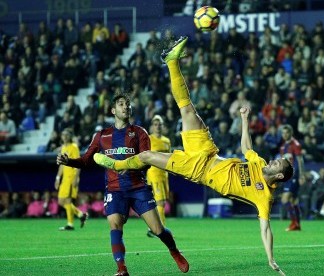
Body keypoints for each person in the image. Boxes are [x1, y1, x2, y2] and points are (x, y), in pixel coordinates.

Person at [93, 36, 292, 275]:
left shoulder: (264, 197)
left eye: (278, 162)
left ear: (279, 175)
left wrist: (271, 259)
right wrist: (244, 120)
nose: (273, 159)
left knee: (146, 156)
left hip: (198, 170)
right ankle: (171, 61)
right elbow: (246, 148)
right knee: (187, 108)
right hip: (208, 151)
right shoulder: (259, 163)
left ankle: (117, 164)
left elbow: (266, 229)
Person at [56, 94, 189, 275]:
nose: (125, 107)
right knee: (115, 225)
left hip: (138, 187)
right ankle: (121, 269)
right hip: (115, 189)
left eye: (127, 104)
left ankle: (174, 251)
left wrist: (130, 165)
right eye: (121, 104)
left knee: (157, 229)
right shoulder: (102, 136)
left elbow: (147, 160)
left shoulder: (140, 132)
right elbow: (87, 160)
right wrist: (68, 161)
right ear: (113, 110)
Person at [54, 128, 88, 231]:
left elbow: (78, 164)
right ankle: (81, 214)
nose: (64, 136)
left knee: (68, 200)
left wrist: (76, 178)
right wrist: (58, 178)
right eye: (63, 134)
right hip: (64, 178)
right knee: (61, 202)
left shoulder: (74, 147)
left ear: (70, 137)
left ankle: (70, 224)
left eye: (67, 135)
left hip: (71, 177)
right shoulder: (63, 147)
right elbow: (61, 165)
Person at [146, 114, 172, 237]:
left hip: (164, 174)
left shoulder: (167, 141)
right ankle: (160, 229)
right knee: (160, 201)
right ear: (152, 126)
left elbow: (169, 158)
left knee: (162, 202)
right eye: (155, 124)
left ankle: (154, 227)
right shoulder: (148, 139)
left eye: (160, 124)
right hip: (154, 173)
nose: (158, 127)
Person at [279, 124, 304, 231]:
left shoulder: (295, 144)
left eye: (287, 133)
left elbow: (300, 160)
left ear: (291, 133)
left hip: (294, 175)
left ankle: (294, 223)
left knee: (285, 199)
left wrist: (301, 175)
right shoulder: (283, 147)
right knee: (293, 200)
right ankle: (297, 224)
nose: (285, 135)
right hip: (288, 176)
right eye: (283, 133)